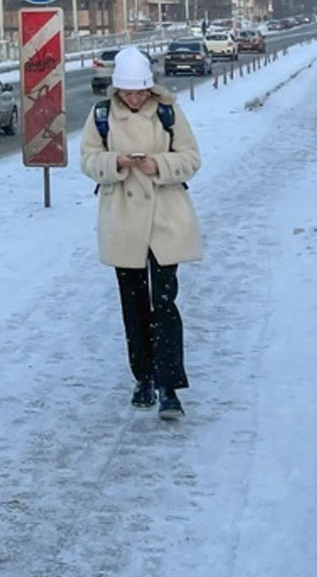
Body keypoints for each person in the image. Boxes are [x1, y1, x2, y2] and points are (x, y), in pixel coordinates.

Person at [80, 47, 203, 420]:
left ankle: (169, 386)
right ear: (117, 90)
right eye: (129, 93)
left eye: (141, 92)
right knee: (133, 307)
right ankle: (144, 378)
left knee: (164, 305)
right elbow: (86, 159)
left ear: (150, 89)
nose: (135, 99)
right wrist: (113, 162)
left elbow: (192, 158)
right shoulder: (101, 116)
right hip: (122, 221)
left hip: (165, 220)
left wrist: (158, 165)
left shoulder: (168, 112)